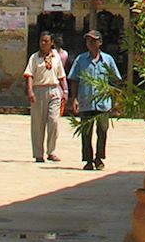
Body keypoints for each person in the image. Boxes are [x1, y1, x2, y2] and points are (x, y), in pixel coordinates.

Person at [68, 31, 121, 170]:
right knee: (86, 132)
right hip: (86, 101)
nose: (90, 43)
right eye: (88, 41)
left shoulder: (108, 60)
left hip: (103, 103)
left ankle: (99, 157)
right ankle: (88, 159)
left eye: (93, 41)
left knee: (102, 131)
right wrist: (74, 99)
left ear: (100, 42)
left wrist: (116, 101)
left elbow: (115, 81)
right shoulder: (81, 60)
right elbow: (74, 79)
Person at [23, 32, 65, 163]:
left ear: (51, 42)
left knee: (53, 121)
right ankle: (38, 153)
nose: (43, 43)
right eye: (41, 41)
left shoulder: (56, 56)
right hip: (39, 90)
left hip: (53, 89)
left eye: (46, 41)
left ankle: (51, 151)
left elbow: (61, 75)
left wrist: (65, 91)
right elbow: (29, 74)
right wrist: (30, 91)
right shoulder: (34, 57)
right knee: (38, 123)